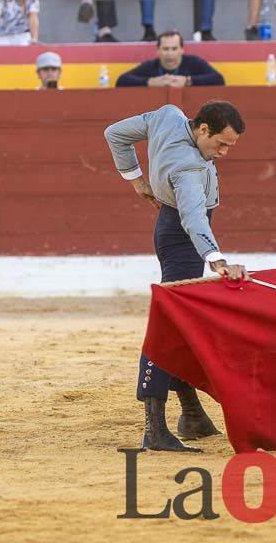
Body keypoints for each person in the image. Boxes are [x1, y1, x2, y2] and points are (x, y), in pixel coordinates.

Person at [104, 99, 248, 451]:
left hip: (169, 231)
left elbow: (115, 134)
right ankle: (154, 430)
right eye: (221, 144)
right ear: (202, 129)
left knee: (183, 326)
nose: (225, 152)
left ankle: (192, 415)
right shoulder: (188, 169)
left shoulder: (167, 116)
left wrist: (135, 179)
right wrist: (216, 259)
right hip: (183, 241)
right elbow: (194, 218)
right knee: (168, 328)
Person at [115, 30, 225, 86]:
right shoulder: (151, 66)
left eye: (174, 48)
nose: (170, 53)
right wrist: (150, 82)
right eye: (166, 49)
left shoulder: (194, 62)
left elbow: (219, 79)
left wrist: (188, 81)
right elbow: (121, 81)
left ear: (182, 49)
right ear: (158, 50)